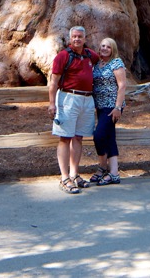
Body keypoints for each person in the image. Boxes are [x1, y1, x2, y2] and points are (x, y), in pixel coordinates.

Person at [48, 26, 99, 194]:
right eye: (74, 36)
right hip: (68, 98)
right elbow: (54, 82)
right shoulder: (63, 56)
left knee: (78, 137)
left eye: (80, 36)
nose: (77, 39)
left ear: (85, 38)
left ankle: (74, 174)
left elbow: (104, 61)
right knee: (65, 137)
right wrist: (51, 103)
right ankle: (64, 178)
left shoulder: (90, 55)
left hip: (87, 99)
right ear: (70, 39)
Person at [89, 38, 127, 186]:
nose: (105, 48)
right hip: (100, 106)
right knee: (109, 136)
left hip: (112, 106)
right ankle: (111, 172)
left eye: (108, 47)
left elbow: (122, 85)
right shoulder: (97, 64)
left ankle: (106, 169)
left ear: (113, 49)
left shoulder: (116, 63)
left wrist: (118, 107)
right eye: (102, 46)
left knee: (99, 135)